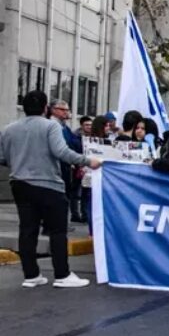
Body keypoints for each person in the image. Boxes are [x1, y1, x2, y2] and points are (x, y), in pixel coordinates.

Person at [0, 91, 100, 288]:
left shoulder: (8, 129)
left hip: (19, 183)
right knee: (57, 231)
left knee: (27, 230)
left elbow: (2, 158)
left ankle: (31, 275)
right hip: (48, 184)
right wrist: (88, 161)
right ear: (46, 108)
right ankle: (62, 274)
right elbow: (61, 152)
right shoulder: (50, 126)